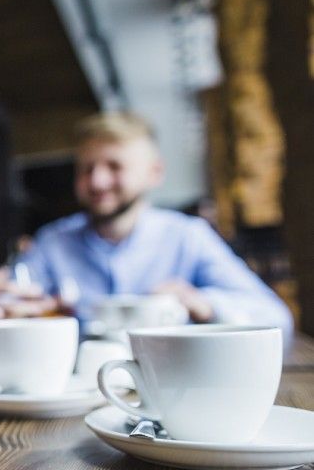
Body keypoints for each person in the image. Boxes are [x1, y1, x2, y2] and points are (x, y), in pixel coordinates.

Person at [16, 112, 293, 337]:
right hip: (78, 395)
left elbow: (277, 319)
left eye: (114, 166)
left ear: (154, 173)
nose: (97, 181)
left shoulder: (187, 237)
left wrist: (202, 303)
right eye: (87, 169)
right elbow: (9, 302)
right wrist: (28, 310)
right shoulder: (52, 242)